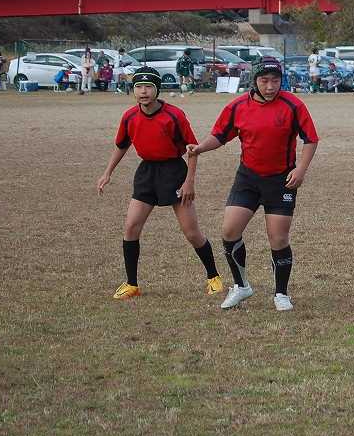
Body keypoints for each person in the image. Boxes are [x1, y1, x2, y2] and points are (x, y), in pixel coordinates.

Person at [186, 57, 319, 312]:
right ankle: (241, 286)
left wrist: (301, 169)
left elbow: (311, 139)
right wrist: (201, 148)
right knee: (229, 231)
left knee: (278, 238)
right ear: (254, 81)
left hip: (281, 181)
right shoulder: (237, 107)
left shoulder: (293, 105)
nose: (270, 86)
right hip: (248, 179)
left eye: (275, 81)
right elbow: (220, 136)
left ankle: (281, 294)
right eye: (264, 81)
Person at [96, 66, 222, 300]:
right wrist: (107, 173)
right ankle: (132, 284)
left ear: (157, 89)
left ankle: (213, 277)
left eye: (148, 87)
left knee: (191, 232)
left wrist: (189, 182)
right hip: (147, 173)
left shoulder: (174, 115)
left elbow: (192, 150)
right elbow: (122, 145)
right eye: (138, 87)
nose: (143, 92)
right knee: (131, 228)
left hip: (174, 172)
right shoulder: (129, 116)